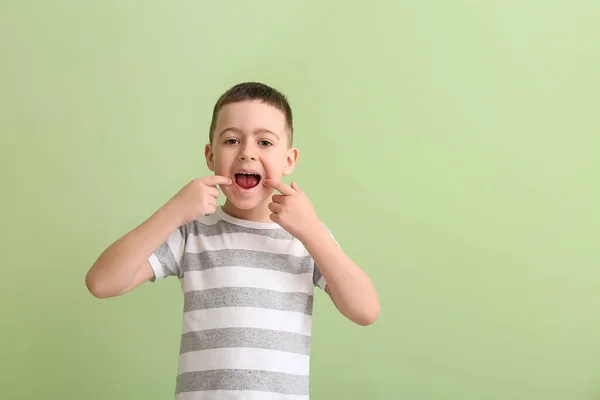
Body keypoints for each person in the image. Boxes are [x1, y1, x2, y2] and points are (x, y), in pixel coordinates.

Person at [85, 81, 380, 399]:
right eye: (232, 140)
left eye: (265, 142)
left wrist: (312, 231)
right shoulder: (192, 234)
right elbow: (101, 283)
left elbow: (365, 310)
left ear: (289, 160)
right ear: (210, 156)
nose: (247, 153)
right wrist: (173, 212)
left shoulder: (307, 238)